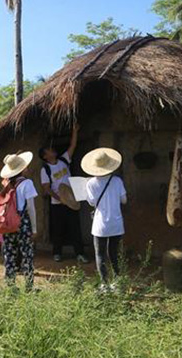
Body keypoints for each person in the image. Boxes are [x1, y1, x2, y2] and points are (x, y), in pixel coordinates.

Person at [39, 124, 89, 263]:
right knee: (58, 229)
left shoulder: (63, 160)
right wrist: (59, 198)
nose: (52, 150)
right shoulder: (46, 169)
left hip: (71, 200)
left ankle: (79, 254)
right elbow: (46, 188)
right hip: (57, 203)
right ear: (45, 156)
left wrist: (74, 131)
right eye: (49, 150)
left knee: (75, 227)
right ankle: (57, 253)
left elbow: (72, 146)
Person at [82, 148, 127, 292]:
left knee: (100, 254)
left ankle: (104, 284)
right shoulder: (117, 181)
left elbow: (91, 203)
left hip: (100, 225)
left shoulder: (91, 183)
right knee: (114, 253)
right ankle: (118, 282)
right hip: (116, 223)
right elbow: (124, 200)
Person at [0, 152, 38, 290]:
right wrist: (34, 229)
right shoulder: (27, 183)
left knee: (9, 254)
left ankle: (10, 286)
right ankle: (29, 286)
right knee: (26, 253)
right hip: (22, 222)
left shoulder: (6, 184)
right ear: (22, 169)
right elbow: (31, 208)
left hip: (8, 223)